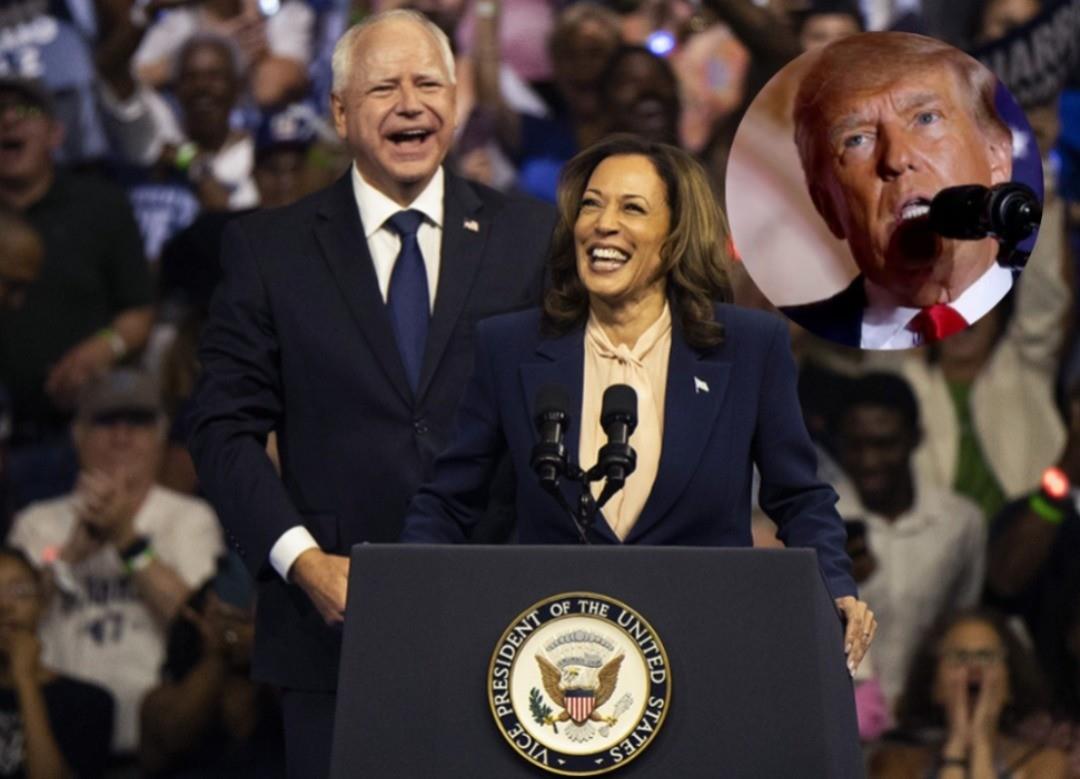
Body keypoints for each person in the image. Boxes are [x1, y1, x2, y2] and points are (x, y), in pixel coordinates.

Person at [187, 10, 555, 777]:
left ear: (456, 101)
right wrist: (303, 561)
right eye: (384, 87)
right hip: (332, 628)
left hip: (507, 621)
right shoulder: (269, 249)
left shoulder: (531, 235)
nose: (411, 104)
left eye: (428, 83)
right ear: (341, 113)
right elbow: (222, 430)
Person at [402, 134, 875, 672]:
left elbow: (800, 498)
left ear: (674, 237)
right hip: (560, 658)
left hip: (704, 651)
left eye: (632, 208)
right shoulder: (509, 347)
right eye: (591, 205)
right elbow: (449, 499)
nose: (603, 224)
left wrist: (836, 587)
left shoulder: (748, 348)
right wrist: (406, 594)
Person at [7, 369, 224, 763]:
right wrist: (69, 555)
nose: (121, 436)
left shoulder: (191, 519)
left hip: (158, 747)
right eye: (105, 421)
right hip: (56, 746)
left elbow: (200, 629)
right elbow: (10, 621)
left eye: (138, 422)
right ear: (77, 435)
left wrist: (126, 540)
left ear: (160, 436)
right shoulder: (37, 523)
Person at [783, 32, 1017, 349]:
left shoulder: (1046, 306)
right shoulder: (790, 343)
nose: (896, 158)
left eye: (926, 118)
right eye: (857, 140)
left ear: (997, 156)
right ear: (827, 207)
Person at [0, 76, 154, 512]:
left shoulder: (99, 206)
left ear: (55, 133)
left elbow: (139, 312)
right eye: (0, 112)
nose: (9, 121)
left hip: (81, 434)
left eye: (26, 112)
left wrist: (101, 349)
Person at [832, 372, 986, 708]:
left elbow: (963, 622)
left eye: (884, 444)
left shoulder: (960, 522)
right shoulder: (818, 522)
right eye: (855, 445)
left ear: (915, 438)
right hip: (839, 714)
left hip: (927, 719)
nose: (868, 460)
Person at [870, 608, 1067, 777]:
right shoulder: (895, 762)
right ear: (933, 684)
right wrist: (956, 750)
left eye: (986, 657)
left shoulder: (1047, 765)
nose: (974, 668)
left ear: (1011, 681)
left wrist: (981, 747)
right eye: (959, 657)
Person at [0, 546, 114, 778]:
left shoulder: (86, 702)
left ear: (41, 604)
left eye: (19, 591)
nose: (4, 606)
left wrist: (24, 678)